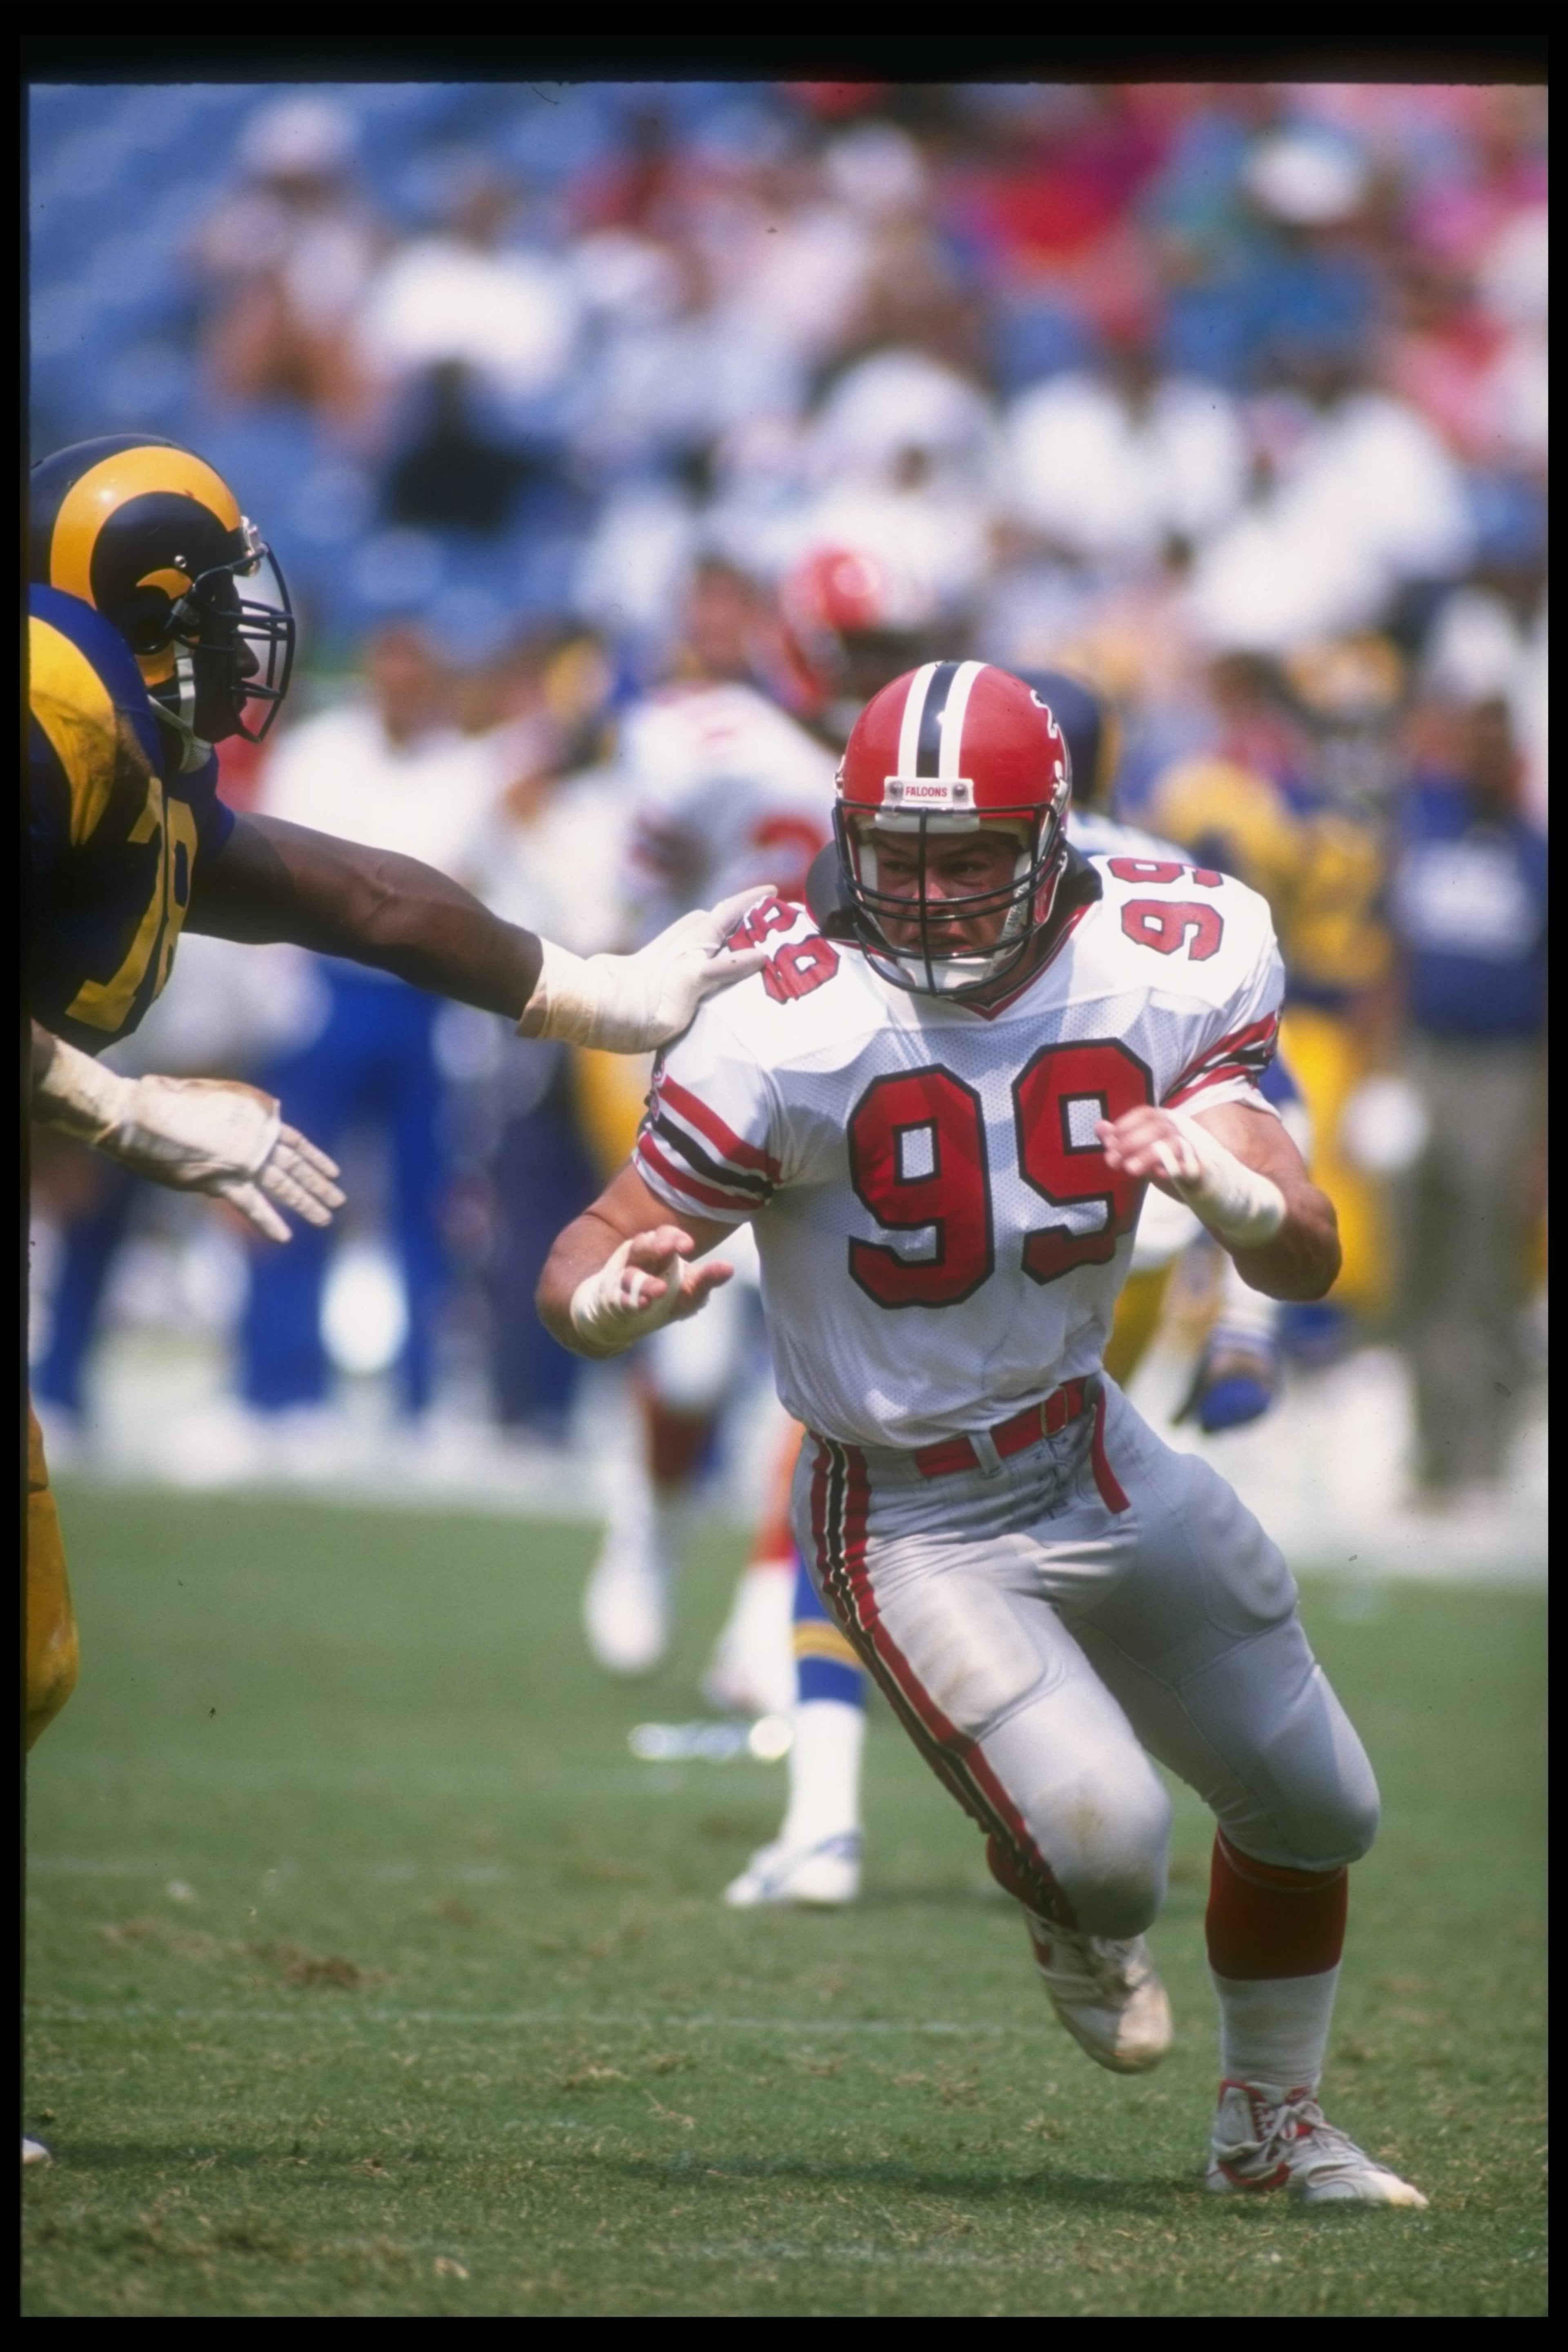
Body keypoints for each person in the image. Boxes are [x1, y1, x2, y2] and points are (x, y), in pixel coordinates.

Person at [539, 660, 1425, 2207]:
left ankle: (1270, 2133)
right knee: (1109, 1847)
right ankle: (1067, 1900)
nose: (929, 893)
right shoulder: (783, 1011)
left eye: (969, 857)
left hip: (1088, 1445)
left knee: (1321, 1803)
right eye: (897, 854)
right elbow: (588, 1250)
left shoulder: (1172, 948)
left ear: (1051, 840)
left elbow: (1306, 1252)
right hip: (905, 1513)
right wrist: (608, 1307)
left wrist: (1228, 1188)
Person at [24, 430, 771, 2156]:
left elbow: (351, 894)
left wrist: (596, 992)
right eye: (222, 590)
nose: (252, 622)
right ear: (150, 598)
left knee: (33, 1660)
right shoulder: (53, 702)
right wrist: (120, 1111)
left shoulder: (128, 748)